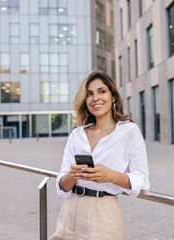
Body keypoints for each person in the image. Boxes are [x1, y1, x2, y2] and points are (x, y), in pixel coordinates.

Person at [49, 70, 150, 240]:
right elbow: (62, 186)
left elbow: (143, 181)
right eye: (89, 94)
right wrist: (73, 175)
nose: (95, 98)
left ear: (113, 97)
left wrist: (110, 176)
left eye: (101, 91)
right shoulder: (77, 134)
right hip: (70, 211)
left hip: (104, 214)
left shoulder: (129, 131)